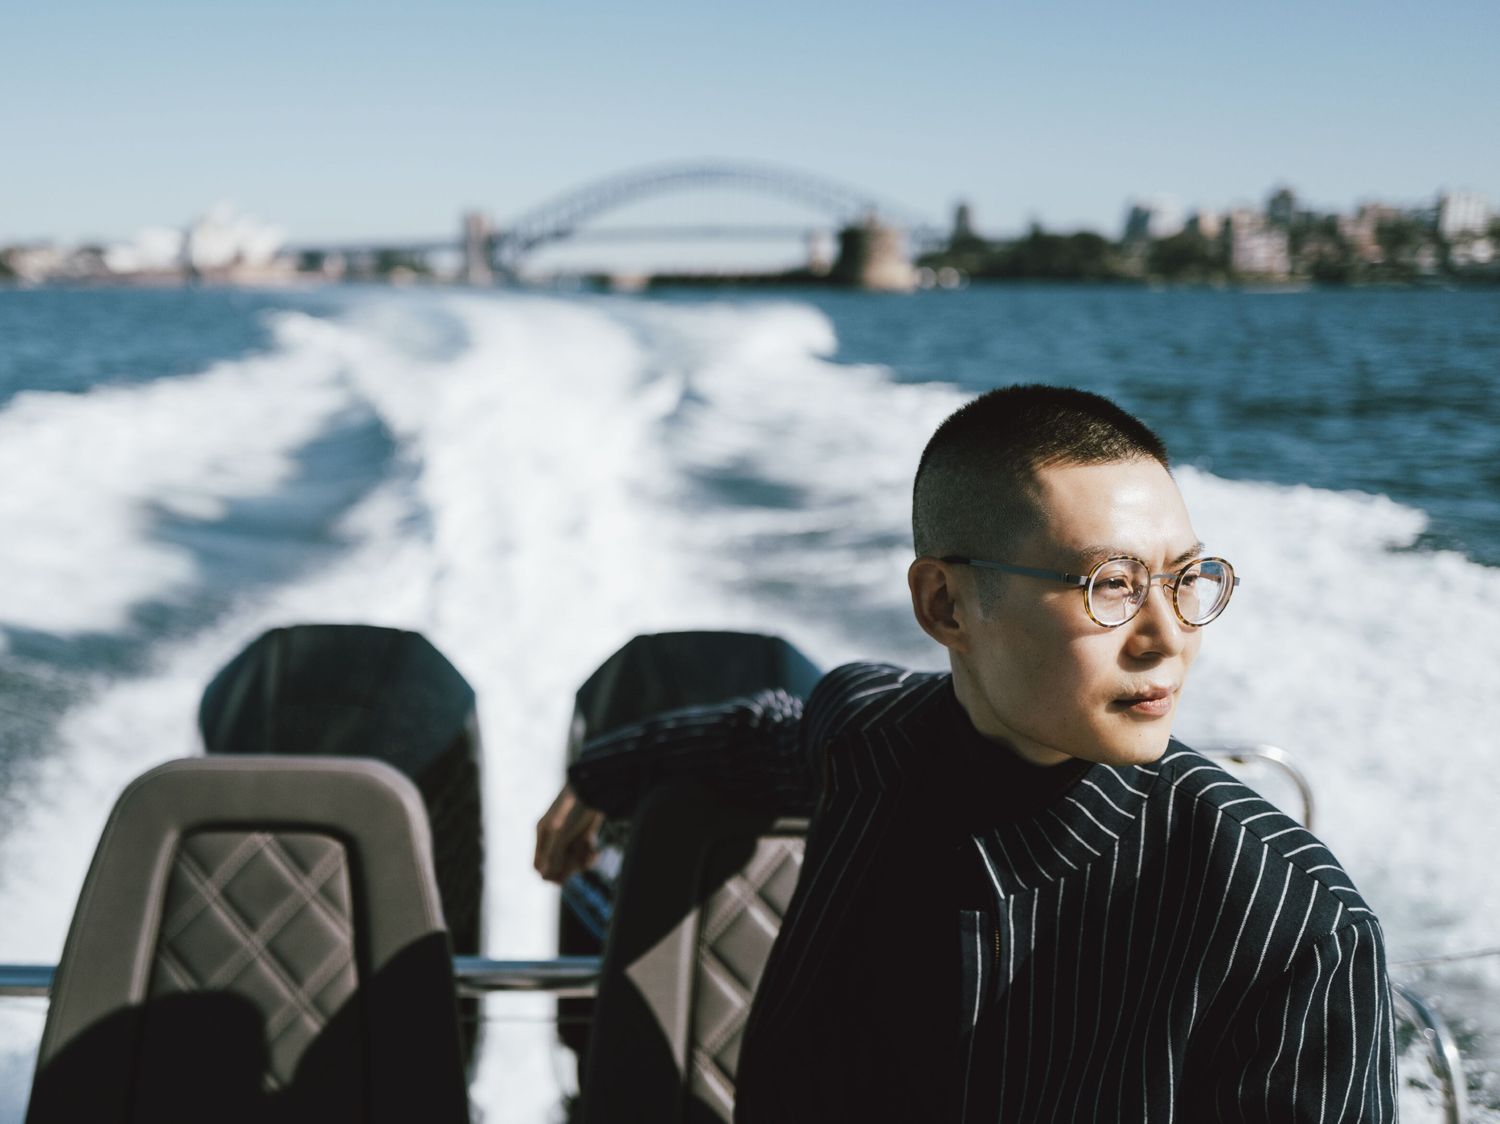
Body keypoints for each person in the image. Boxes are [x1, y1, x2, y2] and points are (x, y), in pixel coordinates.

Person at [535, 385, 1397, 1122]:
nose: (1168, 636)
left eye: (1185, 577)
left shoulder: (1290, 919)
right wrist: (601, 775)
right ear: (945, 606)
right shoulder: (871, 735)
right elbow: (768, 728)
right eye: (1112, 585)